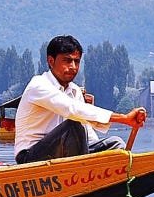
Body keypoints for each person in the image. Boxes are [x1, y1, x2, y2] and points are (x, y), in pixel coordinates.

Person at [14, 35, 146, 164]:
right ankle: (83, 171)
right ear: (51, 61)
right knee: (74, 124)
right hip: (30, 156)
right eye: (67, 61)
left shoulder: (75, 90)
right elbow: (72, 109)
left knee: (116, 145)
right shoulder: (38, 85)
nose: (73, 67)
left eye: (76, 61)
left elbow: (87, 132)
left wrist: (102, 151)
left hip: (64, 154)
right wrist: (124, 118)